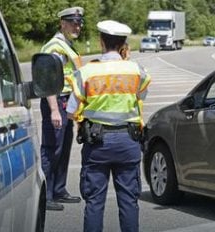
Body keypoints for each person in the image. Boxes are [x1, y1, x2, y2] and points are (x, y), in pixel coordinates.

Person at [66, 20, 151, 232]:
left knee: (94, 202)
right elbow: (142, 96)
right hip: (128, 141)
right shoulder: (136, 70)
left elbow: (70, 111)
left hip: (97, 143)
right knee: (129, 201)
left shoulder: (86, 72)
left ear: (101, 41)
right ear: (124, 44)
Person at [40, 6, 83, 211]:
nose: (77, 26)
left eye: (79, 22)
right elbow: (47, 81)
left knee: (64, 147)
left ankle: (59, 189)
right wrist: (54, 110)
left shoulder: (67, 45)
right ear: (62, 24)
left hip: (66, 101)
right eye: (73, 22)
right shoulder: (55, 47)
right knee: (51, 148)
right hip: (55, 101)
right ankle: (45, 195)